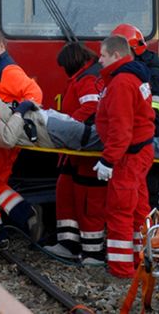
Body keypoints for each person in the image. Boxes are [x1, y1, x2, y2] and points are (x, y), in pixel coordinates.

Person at [94, 36, 155, 278]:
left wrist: (108, 160)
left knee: (119, 210)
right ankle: (141, 259)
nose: (99, 59)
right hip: (140, 151)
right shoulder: (134, 77)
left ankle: (121, 269)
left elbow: (121, 128)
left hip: (127, 156)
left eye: (103, 55)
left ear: (116, 56)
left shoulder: (120, 83)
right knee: (139, 209)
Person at [42, 42, 107, 264]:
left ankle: (93, 252)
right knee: (65, 190)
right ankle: (68, 243)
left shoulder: (88, 79)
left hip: (86, 147)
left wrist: (69, 125)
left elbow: (91, 108)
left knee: (88, 199)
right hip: (77, 149)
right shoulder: (83, 77)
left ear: (71, 63)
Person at [111, 24, 159, 211]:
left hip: (158, 142)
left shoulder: (152, 74)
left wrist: (137, 136)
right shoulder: (140, 69)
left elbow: (154, 110)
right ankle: (147, 232)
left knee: (148, 197)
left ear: (133, 50)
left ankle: (151, 234)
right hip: (152, 143)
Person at [0, 28, 44, 245]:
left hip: (0, 138)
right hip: (3, 138)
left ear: (1, 46)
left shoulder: (8, 70)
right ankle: (26, 215)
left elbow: (34, 94)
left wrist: (18, 114)